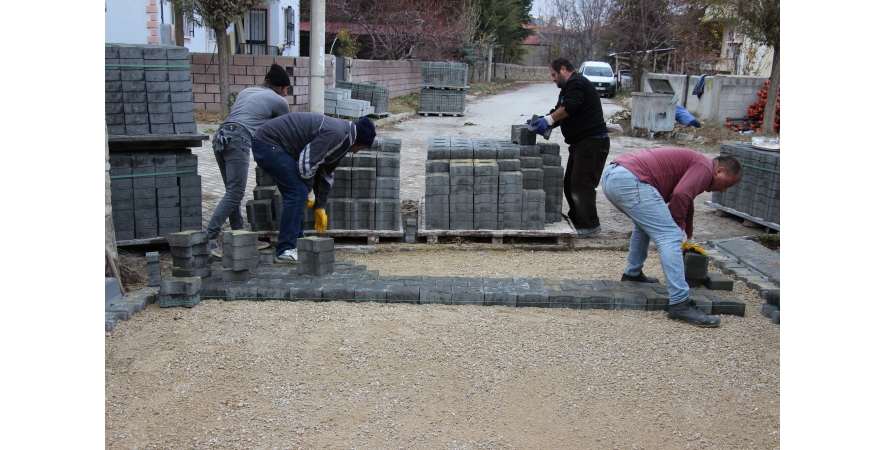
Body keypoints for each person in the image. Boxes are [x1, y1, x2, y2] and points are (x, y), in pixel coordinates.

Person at [601, 147, 742, 328]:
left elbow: (687, 201)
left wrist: (688, 236)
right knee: (669, 236)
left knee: (645, 225)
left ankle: (632, 274)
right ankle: (680, 303)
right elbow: (681, 195)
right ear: (720, 171)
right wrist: (678, 232)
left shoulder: (699, 166)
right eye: (728, 184)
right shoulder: (705, 168)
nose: (723, 190)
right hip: (629, 180)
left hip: (614, 177)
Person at [251, 113, 376, 263]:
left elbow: (325, 175)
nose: (356, 152)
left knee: (298, 192)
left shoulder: (343, 141)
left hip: (277, 145)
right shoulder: (337, 134)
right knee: (298, 192)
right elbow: (306, 163)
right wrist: (309, 191)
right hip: (269, 144)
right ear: (358, 141)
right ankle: (285, 249)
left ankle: (297, 241)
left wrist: (320, 207)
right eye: (361, 148)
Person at [206, 63, 292, 252]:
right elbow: (285, 132)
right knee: (236, 192)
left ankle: (240, 236)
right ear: (278, 86)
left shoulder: (247, 92)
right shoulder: (280, 102)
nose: (286, 93)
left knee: (232, 190)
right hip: (238, 138)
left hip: (220, 136)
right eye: (286, 88)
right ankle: (209, 236)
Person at [530, 56, 610, 238]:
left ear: (563, 69)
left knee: (581, 184)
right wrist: (543, 121)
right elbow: (561, 110)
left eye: (553, 74)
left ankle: (589, 225)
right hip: (583, 143)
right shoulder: (569, 88)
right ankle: (578, 220)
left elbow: (569, 108)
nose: (553, 79)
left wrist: (549, 120)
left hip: (593, 142)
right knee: (570, 183)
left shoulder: (576, 82)